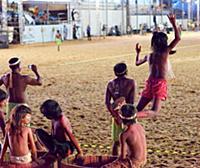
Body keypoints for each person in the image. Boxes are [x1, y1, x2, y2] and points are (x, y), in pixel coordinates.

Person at [135, 14, 181, 119]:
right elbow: (178, 38)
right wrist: (173, 23)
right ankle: (133, 115)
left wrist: (138, 53)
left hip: (150, 82)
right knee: (154, 111)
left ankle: (131, 115)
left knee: (138, 108)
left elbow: (137, 63)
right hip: (159, 83)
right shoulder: (165, 52)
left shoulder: (149, 56)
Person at [105, 63, 136, 155]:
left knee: (116, 142)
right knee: (130, 141)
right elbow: (131, 102)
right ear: (126, 71)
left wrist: (115, 116)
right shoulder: (131, 82)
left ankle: (114, 160)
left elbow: (107, 103)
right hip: (128, 114)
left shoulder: (110, 84)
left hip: (116, 114)